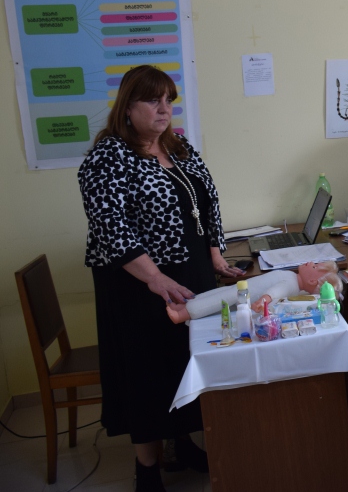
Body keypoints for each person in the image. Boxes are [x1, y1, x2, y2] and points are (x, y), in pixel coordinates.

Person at [78, 65, 243, 491]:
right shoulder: (108, 157)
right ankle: (147, 470)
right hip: (138, 286)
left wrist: (216, 256)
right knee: (149, 374)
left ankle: (181, 444)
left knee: (183, 365)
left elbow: (207, 204)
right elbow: (111, 227)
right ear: (127, 106)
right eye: (153, 100)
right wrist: (154, 278)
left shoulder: (178, 147)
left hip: (189, 275)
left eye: (169, 100)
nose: (164, 109)